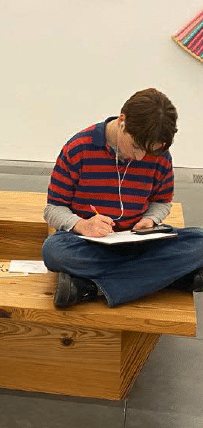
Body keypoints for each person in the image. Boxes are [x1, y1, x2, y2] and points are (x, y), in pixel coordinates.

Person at [41, 88, 203, 308]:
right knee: (53, 251)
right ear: (122, 121)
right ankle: (168, 276)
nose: (140, 157)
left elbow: (162, 202)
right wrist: (82, 225)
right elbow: (53, 208)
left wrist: (151, 220)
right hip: (89, 244)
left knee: (200, 241)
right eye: (136, 146)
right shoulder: (78, 148)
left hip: (139, 242)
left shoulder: (159, 155)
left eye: (149, 152)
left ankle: (89, 287)